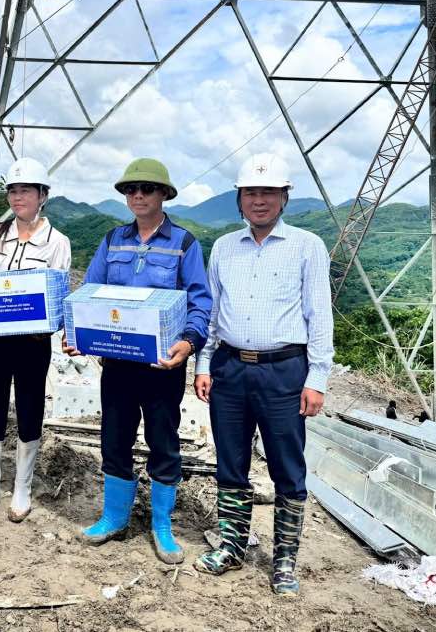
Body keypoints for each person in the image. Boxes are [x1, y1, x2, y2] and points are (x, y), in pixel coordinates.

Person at [193, 152, 333, 596]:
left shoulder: (307, 246)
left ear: (284, 198)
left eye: (268, 192)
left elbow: (320, 316)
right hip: (230, 368)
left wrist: (317, 378)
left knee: (287, 467)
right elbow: (213, 314)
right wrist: (203, 363)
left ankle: (284, 559)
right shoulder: (223, 248)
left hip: (284, 370)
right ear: (238, 199)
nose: (259, 200)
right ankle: (232, 544)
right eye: (251, 192)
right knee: (230, 460)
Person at [64, 158, 211, 564]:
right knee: (114, 437)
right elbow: (91, 292)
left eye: (147, 188)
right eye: (131, 189)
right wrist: (75, 332)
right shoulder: (113, 240)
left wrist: (188, 342)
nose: (138, 196)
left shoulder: (183, 243)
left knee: (163, 442)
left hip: (163, 367)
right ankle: (114, 517)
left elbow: (200, 303)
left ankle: (162, 526)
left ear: (164, 193)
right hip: (117, 365)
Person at [0, 157, 72, 527]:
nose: (18, 197)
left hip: (32, 342)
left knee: (29, 410)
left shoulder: (57, 242)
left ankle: (22, 487)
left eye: (26, 190)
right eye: (13, 190)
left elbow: (56, 296)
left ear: (43, 195)